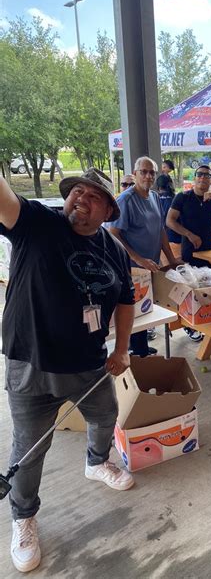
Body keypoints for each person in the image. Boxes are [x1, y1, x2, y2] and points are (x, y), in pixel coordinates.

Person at [0, 168, 136, 573]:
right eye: (77, 191)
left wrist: (124, 349)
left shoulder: (113, 249)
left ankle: (96, 462)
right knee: (29, 447)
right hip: (31, 362)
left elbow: (127, 299)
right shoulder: (38, 223)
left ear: (109, 210)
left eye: (94, 196)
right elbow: (5, 201)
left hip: (88, 362)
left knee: (105, 414)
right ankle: (23, 517)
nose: (82, 199)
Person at [107, 156, 180, 357]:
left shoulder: (154, 197)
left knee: (144, 307)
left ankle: (140, 347)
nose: (148, 176)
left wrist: (171, 259)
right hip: (130, 266)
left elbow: (160, 230)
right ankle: (136, 351)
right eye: (143, 172)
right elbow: (113, 234)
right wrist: (138, 258)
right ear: (135, 173)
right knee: (133, 308)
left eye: (152, 172)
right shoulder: (126, 200)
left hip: (150, 265)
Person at [166, 164, 211, 341]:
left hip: (209, 250)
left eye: (207, 176)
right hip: (189, 250)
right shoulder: (182, 197)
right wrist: (189, 234)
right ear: (194, 178)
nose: (203, 178)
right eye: (200, 175)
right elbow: (170, 221)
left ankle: (210, 322)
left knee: (210, 287)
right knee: (192, 288)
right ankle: (190, 325)